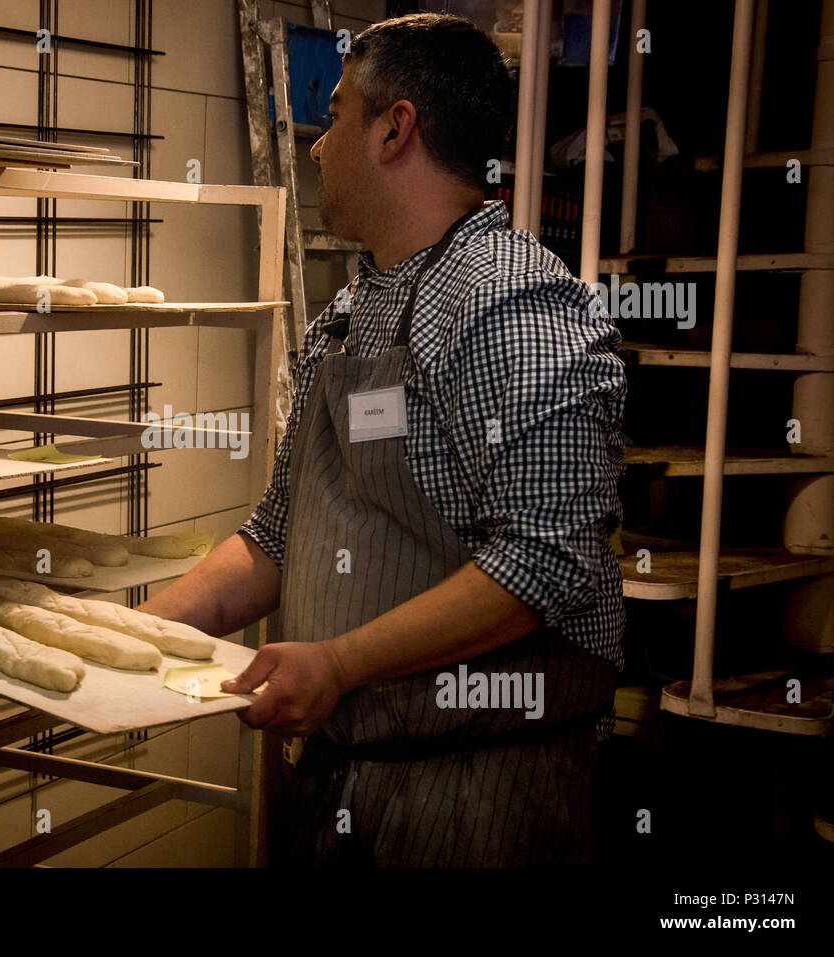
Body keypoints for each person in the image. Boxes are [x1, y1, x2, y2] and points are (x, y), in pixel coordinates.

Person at [137, 12, 627, 866]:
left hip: (480, 795)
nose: (319, 146)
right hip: (344, 781)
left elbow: (548, 558)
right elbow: (275, 536)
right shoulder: (347, 319)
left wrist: (337, 662)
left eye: (335, 115)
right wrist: (127, 638)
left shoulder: (511, 303)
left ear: (395, 128)